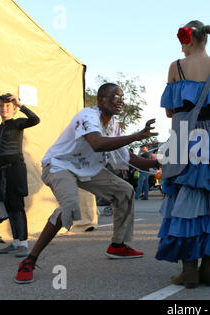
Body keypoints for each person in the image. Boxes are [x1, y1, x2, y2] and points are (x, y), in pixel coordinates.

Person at [14, 83, 160, 284]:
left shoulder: (114, 126)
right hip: (60, 165)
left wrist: (159, 163)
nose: (120, 102)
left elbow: (128, 157)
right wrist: (135, 136)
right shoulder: (88, 116)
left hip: (88, 169)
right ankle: (30, 260)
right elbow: (97, 143)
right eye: (114, 97)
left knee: (125, 190)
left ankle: (118, 245)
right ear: (101, 100)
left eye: (122, 98)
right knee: (70, 206)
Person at [155, 20, 210, 289]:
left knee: (184, 203)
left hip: (183, 139)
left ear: (187, 40)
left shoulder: (176, 67)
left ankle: (189, 270)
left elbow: (170, 111)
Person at [0, 94, 40, 258]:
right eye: (1, 106)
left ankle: (24, 243)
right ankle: (16, 242)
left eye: (8, 106)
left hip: (17, 169)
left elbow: (35, 119)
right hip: (4, 172)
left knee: (17, 206)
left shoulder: (18, 123)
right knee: (9, 206)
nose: (4, 108)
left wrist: (20, 104)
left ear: (14, 109)